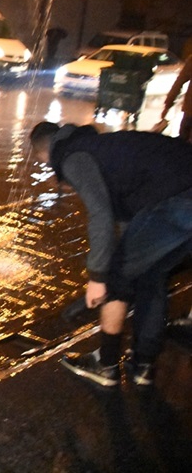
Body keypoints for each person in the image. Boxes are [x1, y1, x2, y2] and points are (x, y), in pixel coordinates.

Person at [29, 121, 192, 387]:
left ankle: (105, 365)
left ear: (43, 154)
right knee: (152, 275)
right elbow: (131, 217)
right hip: (180, 195)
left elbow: (101, 216)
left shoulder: (72, 157)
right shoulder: (100, 147)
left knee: (116, 278)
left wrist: (97, 276)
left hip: (177, 199)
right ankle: (143, 365)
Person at [161, 55, 191, 142]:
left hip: (189, 112)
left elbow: (178, 83)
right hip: (189, 112)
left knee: (182, 143)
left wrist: (167, 105)